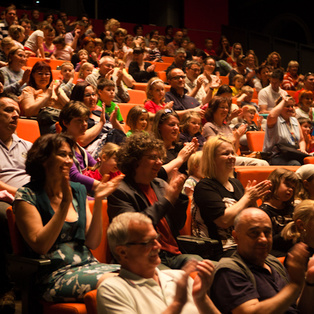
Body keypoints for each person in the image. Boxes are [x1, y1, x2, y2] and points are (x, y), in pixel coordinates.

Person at [13, 133, 124, 302]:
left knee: (143, 273)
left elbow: (92, 243)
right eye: (62, 154)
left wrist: (99, 199)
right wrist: (65, 203)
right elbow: (41, 246)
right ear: (43, 159)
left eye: (70, 155)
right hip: (54, 276)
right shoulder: (27, 195)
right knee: (117, 283)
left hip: (89, 266)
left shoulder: (78, 190)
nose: (68, 160)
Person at [107, 132, 202, 269]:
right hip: (143, 257)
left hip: (173, 255)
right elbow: (134, 229)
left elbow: (178, 224)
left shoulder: (160, 184)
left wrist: (178, 196)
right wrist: (168, 199)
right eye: (153, 157)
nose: (159, 162)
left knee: (207, 268)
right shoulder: (119, 191)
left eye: (159, 158)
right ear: (135, 161)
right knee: (170, 279)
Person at [97, 212, 220, 314]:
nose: (158, 246)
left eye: (156, 238)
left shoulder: (179, 277)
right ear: (123, 252)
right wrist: (177, 303)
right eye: (148, 242)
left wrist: (201, 298)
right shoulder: (112, 290)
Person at [212, 208, 314, 314]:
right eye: (254, 233)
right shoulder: (229, 270)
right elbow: (249, 312)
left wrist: (310, 280)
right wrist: (295, 285)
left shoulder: (273, 262)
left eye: (267, 232)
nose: (263, 239)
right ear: (236, 237)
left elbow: (298, 308)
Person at [192, 136, 271, 258]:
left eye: (232, 153)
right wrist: (247, 198)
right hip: (220, 250)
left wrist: (253, 201)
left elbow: (250, 217)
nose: (231, 157)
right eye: (225, 153)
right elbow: (223, 221)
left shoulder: (236, 183)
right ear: (212, 159)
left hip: (243, 244)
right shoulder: (204, 187)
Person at [0, 93, 32, 312]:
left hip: (29, 196)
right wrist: (22, 193)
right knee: (3, 215)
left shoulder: (27, 145)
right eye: (8, 111)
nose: (15, 115)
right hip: (4, 197)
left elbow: (40, 175)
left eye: (17, 112)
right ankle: (6, 286)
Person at [203, 96, 269, 166]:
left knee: (264, 163)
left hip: (232, 157)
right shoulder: (209, 126)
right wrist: (234, 138)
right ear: (214, 109)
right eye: (222, 107)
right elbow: (215, 148)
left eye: (226, 107)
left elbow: (234, 150)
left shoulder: (226, 127)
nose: (225, 110)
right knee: (261, 164)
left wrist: (237, 137)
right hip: (219, 159)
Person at [19, 61, 69, 134]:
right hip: (42, 124)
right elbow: (29, 111)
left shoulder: (56, 88)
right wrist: (47, 96)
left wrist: (58, 93)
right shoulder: (28, 90)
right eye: (40, 74)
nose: (43, 77)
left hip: (62, 122)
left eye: (47, 74)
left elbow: (70, 107)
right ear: (33, 75)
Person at [259, 168, 299, 255]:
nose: (291, 189)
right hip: (275, 252)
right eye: (287, 185)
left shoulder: (292, 208)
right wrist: (290, 228)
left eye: (293, 187)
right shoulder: (264, 211)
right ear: (273, 184)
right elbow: (270, 242)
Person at [263, 95, 307, 165]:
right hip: (275, 156)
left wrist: (302, 149)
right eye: (287, 106)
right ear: (279, 107)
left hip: (293, 154)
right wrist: (283, 101)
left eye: (292, 106)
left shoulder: (294, 120)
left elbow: (301, 140)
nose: (290, 108)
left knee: (309, 162)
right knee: (295, 164)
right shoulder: (275, 119)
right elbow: (271, 115)